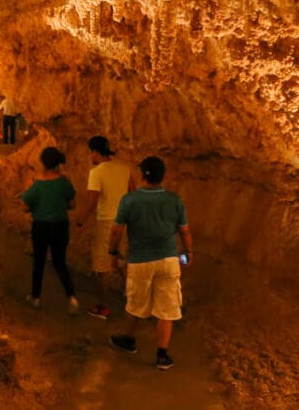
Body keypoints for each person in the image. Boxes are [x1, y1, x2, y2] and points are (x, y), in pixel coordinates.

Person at [108, 156, 192, 371]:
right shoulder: (174, 200)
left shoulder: (130, 200)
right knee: (167, 309)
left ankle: (128, 339)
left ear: (143, 174)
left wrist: (113, 252)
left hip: (140, 260)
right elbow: (184, 230)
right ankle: (162, 355)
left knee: (136, 303)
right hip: (169, 259)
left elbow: (117, 229)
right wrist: (188, 251)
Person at [75, 136, 134, 319]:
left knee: (104, 267)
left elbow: (92, 201)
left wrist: (80, 221)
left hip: (107, 223)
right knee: (122, 262)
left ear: (95, 152)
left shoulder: (97, 172)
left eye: (90, 152)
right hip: (124, 223)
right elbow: (133, 194)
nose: (90, 156)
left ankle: (102, 307)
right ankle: (134, 300)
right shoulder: (124, 168)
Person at [20, 147, 79, 314]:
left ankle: (36, 297)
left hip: (41, 226)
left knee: (39, 261)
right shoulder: (64, 182)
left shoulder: (37, 185)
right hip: (60, 225)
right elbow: (73, 204)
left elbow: (25, 206)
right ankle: (72, 296)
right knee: (59, 261)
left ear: (43, 163)